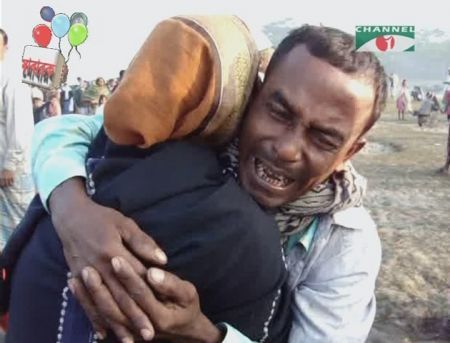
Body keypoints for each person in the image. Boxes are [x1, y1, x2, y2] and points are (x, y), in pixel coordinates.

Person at [6, 19, 387, 342]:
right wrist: (72, 211)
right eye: (278, 111)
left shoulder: (343, 243)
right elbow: (67, 131)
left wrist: (205, 334)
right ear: (254, 97)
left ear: (350, 153)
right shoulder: (201, 137)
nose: (287, 149)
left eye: (323, 138)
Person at [0, 28, 35, 250]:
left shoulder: (13, 81)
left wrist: (9, 166)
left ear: (5, 47)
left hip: (11, 170)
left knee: (18, 226)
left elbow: (21, 127)